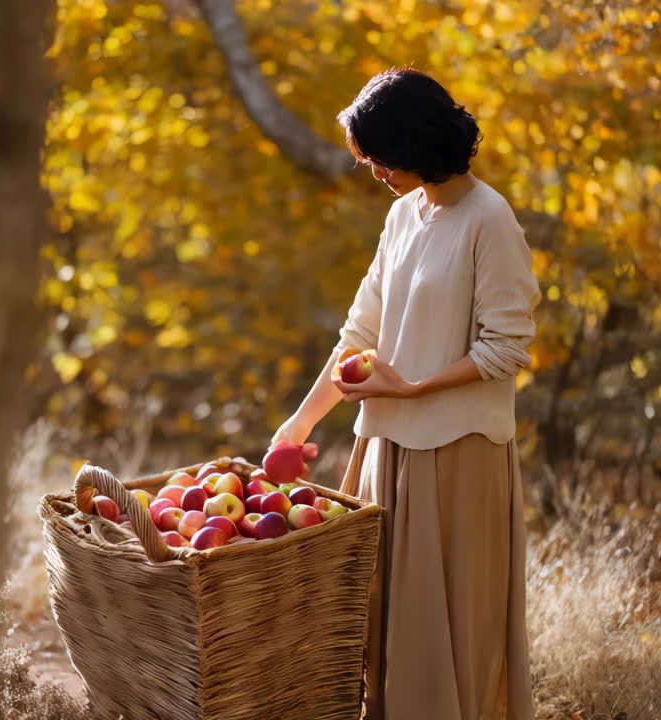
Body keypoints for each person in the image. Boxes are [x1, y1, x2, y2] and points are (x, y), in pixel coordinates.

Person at [270, 67, 541, 720]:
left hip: (459, 460)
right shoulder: (402, 217)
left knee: (450, 639)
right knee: (381, 636)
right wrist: (299, 425)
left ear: (415, 141)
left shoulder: (489, 219)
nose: (375, 171)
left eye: (380, 156)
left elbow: (506, 347)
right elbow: (359, 333)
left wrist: (413, 386)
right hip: (383, 452)